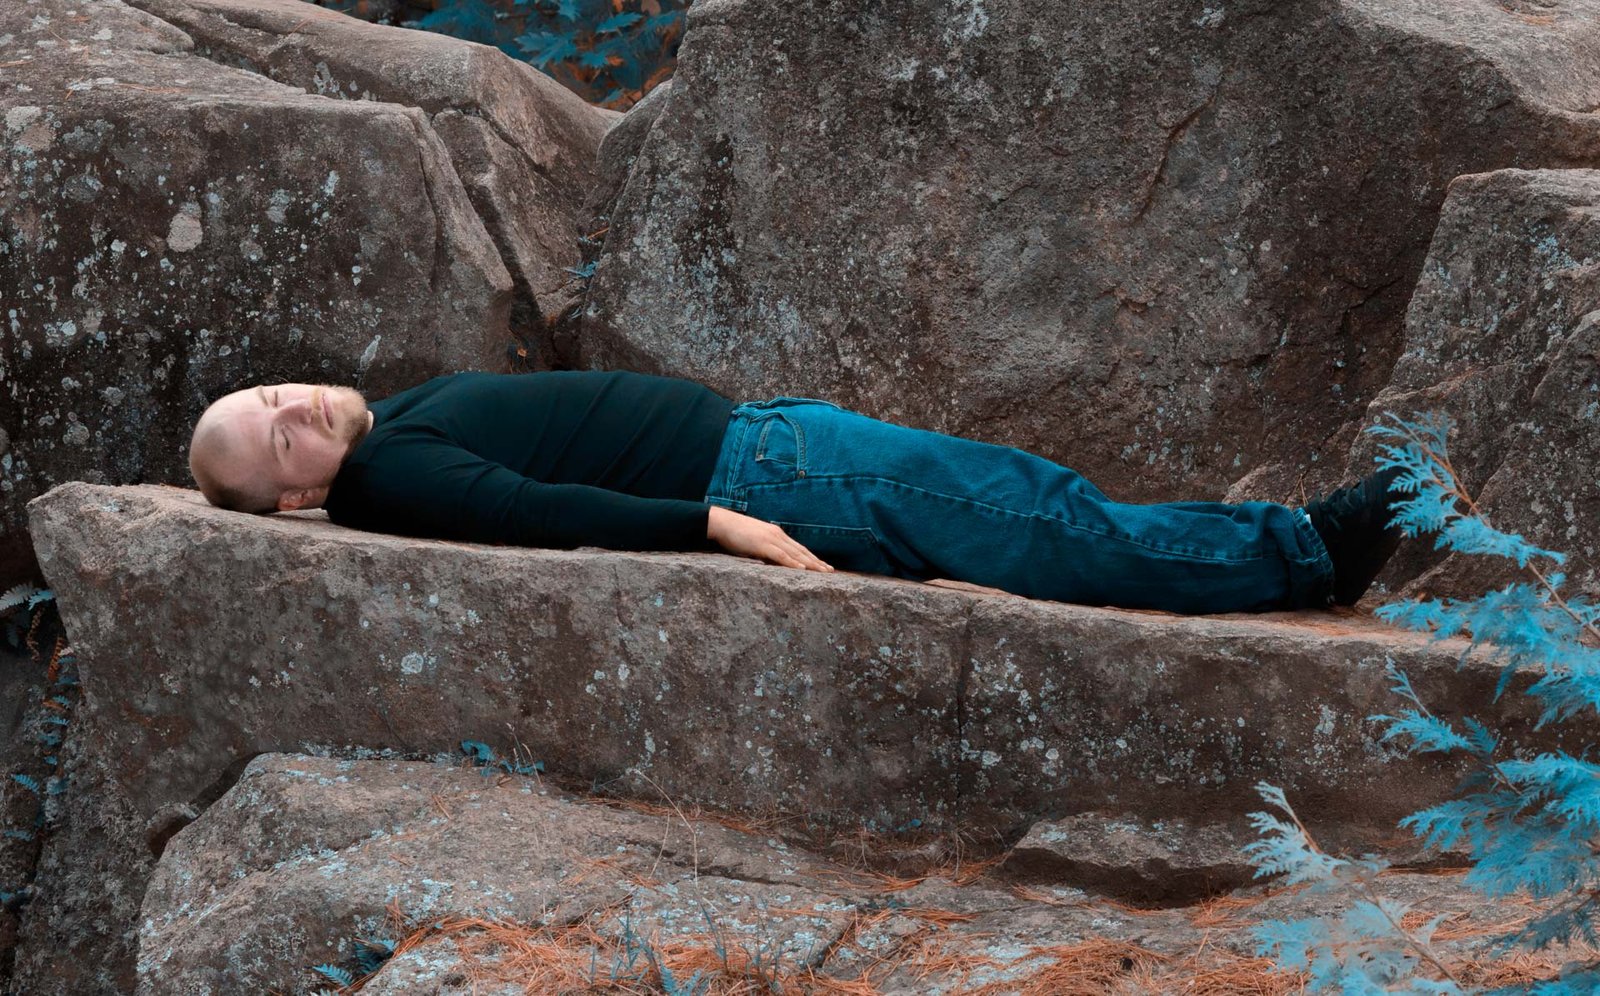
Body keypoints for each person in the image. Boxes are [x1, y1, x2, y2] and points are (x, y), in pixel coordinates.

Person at [187, 369, 1404, 615]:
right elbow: (532, 515)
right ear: (294, 507)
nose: (298, 414)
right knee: (1035, 522)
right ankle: (1304, 552)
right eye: (279, 443)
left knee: (1031, 511)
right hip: (764, 477)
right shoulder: (388, 475)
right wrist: (716, 524)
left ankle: (1286, 547)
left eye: (276, 396)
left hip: (773, 451)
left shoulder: (388, 427)